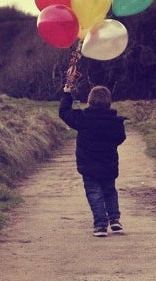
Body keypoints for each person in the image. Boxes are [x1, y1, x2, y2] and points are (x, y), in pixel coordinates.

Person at [59, 83, 127, 237]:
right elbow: (120, 138)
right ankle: (115, 220)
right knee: (110, 191)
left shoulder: (83, 119)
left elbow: (64, 112)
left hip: (88, 165)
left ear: (89, 102)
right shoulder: (115, 122)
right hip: (109, 165)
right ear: (109, 103)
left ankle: (101, 225)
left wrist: (67, 94)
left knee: (94, 193)